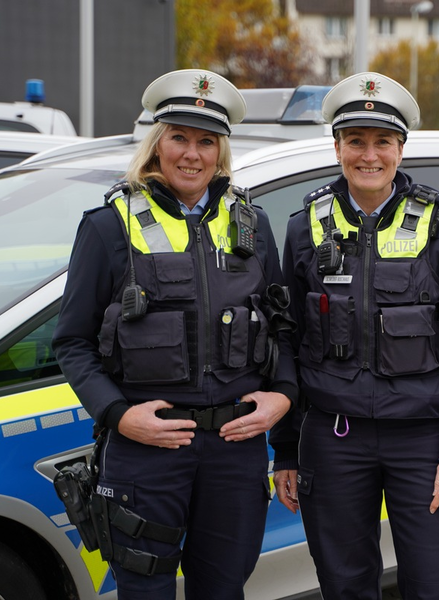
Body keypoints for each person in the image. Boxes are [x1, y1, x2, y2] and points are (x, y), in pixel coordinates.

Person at [52, 69, 297, 600]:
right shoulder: (108, 226)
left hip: (236, 453)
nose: (192, 154)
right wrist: (119, 416)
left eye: (206, 141)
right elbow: (71, 341)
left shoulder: (252, 226)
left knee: (223, 590)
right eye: (179, 137)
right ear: (157, 144)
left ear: (220, 150)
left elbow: (282, 328)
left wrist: (284, 397)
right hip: (147, 453)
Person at [270, 72, 439, 599]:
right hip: (333, 439)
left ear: (400, 148)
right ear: (338, 146)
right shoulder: (305, 228)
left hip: (424, 440)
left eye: (382, 142)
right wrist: (287, 451)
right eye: (355, 141)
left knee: (435, 585)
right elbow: (286, 343)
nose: (369, 155)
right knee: (344, 586)